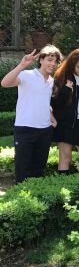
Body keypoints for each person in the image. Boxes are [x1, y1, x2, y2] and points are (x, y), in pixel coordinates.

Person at [1, 46, 61, 183]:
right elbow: (5, 83)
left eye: (55, 61)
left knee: (38, 170)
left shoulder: (52, 82)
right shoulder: (27, 75)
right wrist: (21, 65)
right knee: (22, 170)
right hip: (25, 129)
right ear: (41, 60)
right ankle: (19, 196)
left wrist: (52, 117)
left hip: (45, 131)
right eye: (49, 60)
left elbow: (43, 102)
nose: (53, 64)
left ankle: (34, 195)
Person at [51, 47, 79, 174]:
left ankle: (77, 181)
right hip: (66, 123)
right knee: (65, 158)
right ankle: (63, 184)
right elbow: (53, 103)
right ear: (72, 64)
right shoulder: (62, 76)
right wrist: (66, 90)